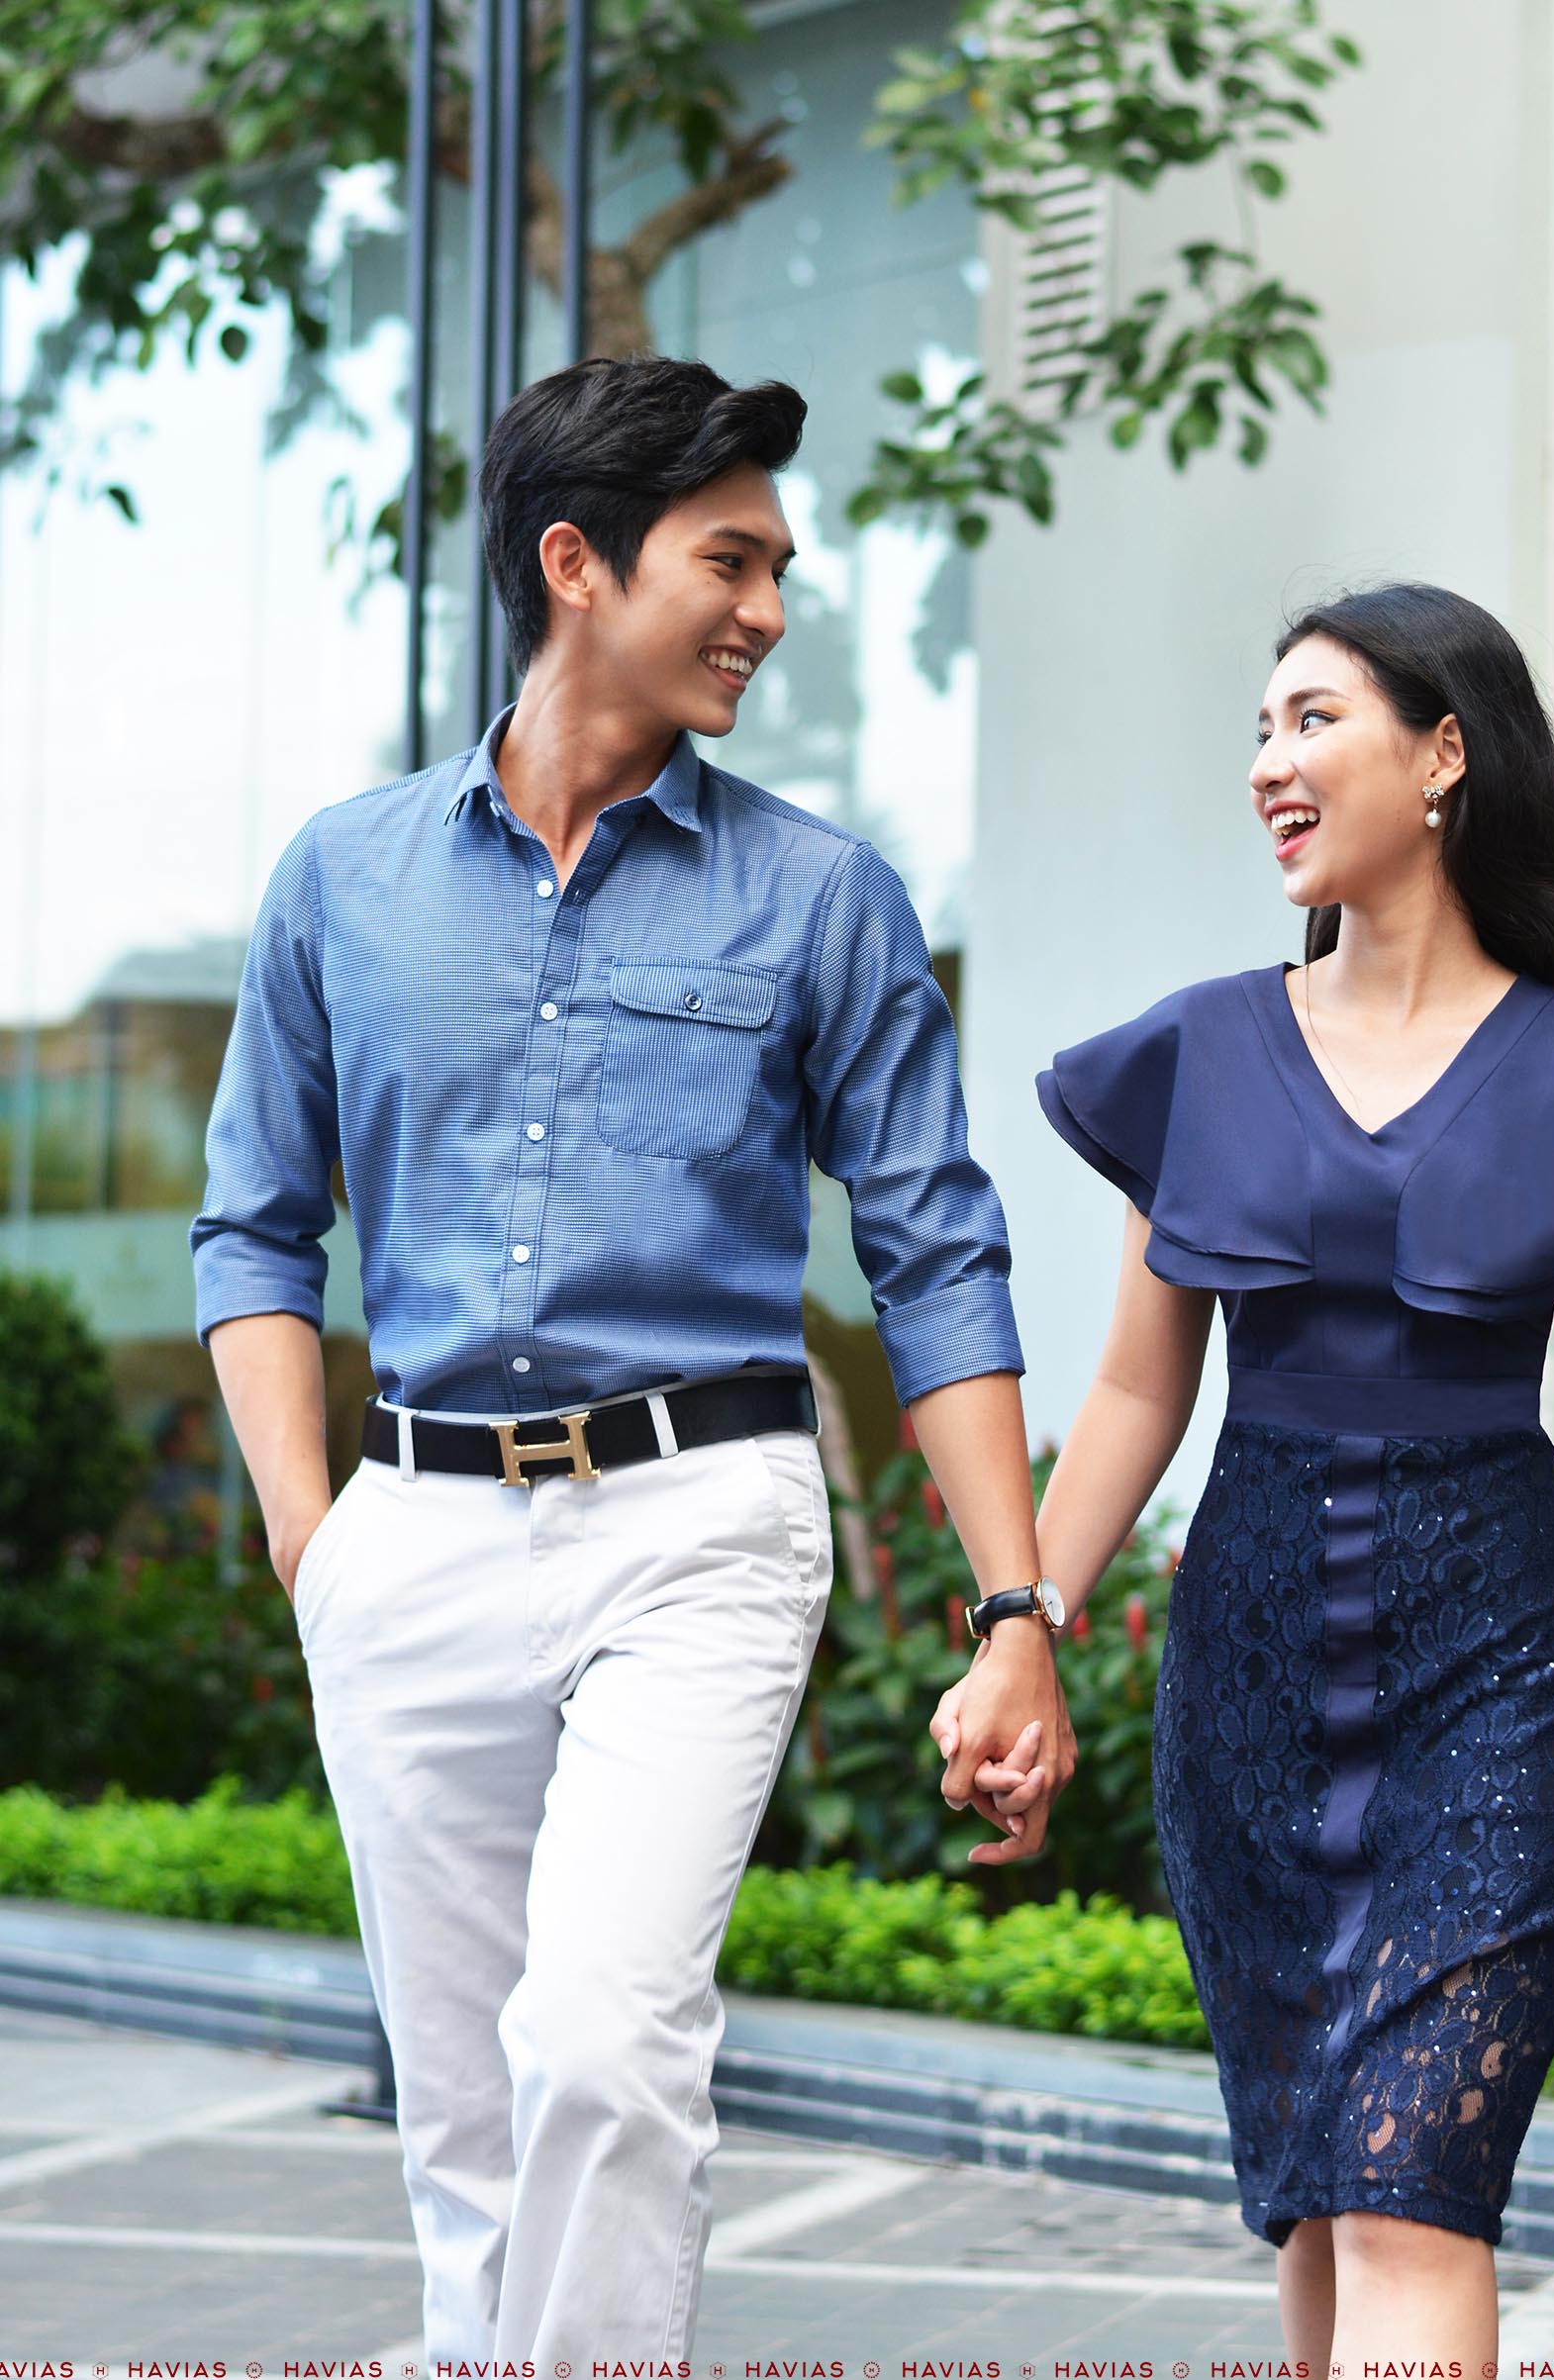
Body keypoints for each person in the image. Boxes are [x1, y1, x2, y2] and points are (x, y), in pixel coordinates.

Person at [190, 353, 1075, 2362]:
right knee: (469, 2115)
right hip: (407, 1531)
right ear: (576, 564)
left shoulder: (823, 900)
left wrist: (1013, 1603)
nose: (770, 607)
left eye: (778, 565)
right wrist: (308, 1537)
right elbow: (254, 1224)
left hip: (698, 1520)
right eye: (732, 559)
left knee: (603, 2044)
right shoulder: (345, 877)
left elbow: (937, 1251)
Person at [935, 582, 1554, 2368]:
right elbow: (1137, 1386)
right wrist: (1026, 1624)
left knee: (1410, 2187)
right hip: (1245, 1681)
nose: (1269, 764)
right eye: (1258, 730)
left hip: (1504, 1681)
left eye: (1312, 718)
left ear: (1445, 752)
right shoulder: (1201, 1057)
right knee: (1321, 2193)